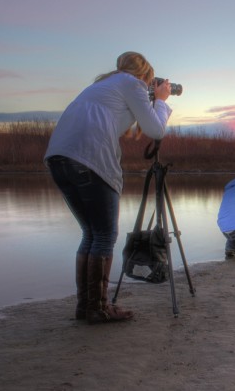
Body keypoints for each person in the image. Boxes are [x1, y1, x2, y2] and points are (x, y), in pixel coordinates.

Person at [44, 51, 172, 324]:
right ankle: (98, 308)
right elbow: (156, 130)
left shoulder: (100, 86)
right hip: (89, 159)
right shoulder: (131, 83)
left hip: (59, 158)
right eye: (150, 81)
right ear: (145, 76)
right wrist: (160, 101)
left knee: (91, 233)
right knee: (103, 236)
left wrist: (149, 99)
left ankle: (86, 306)